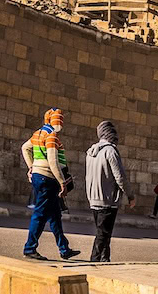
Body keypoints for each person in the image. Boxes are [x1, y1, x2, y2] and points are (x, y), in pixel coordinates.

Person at [21, 108, 79, 261]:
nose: (61, 123)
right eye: (59, 120)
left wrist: (32, 167)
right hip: (48, 179)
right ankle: (29, 248)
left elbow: (25, 148)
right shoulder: (51, 135)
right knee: (40, 214)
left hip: (39, 177)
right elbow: (53, 162)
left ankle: (64, 249)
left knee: (55, 216)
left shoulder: (38, 133)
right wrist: (62, 183)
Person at [84, 120, 128, 263]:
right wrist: (130, 195)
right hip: (108, 198)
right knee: (103, 233)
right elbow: (119, 176)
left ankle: (104, 258)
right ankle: (95, 259)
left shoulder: (91, 152)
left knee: (104, 231)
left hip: (94, 197)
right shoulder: (111, 151)